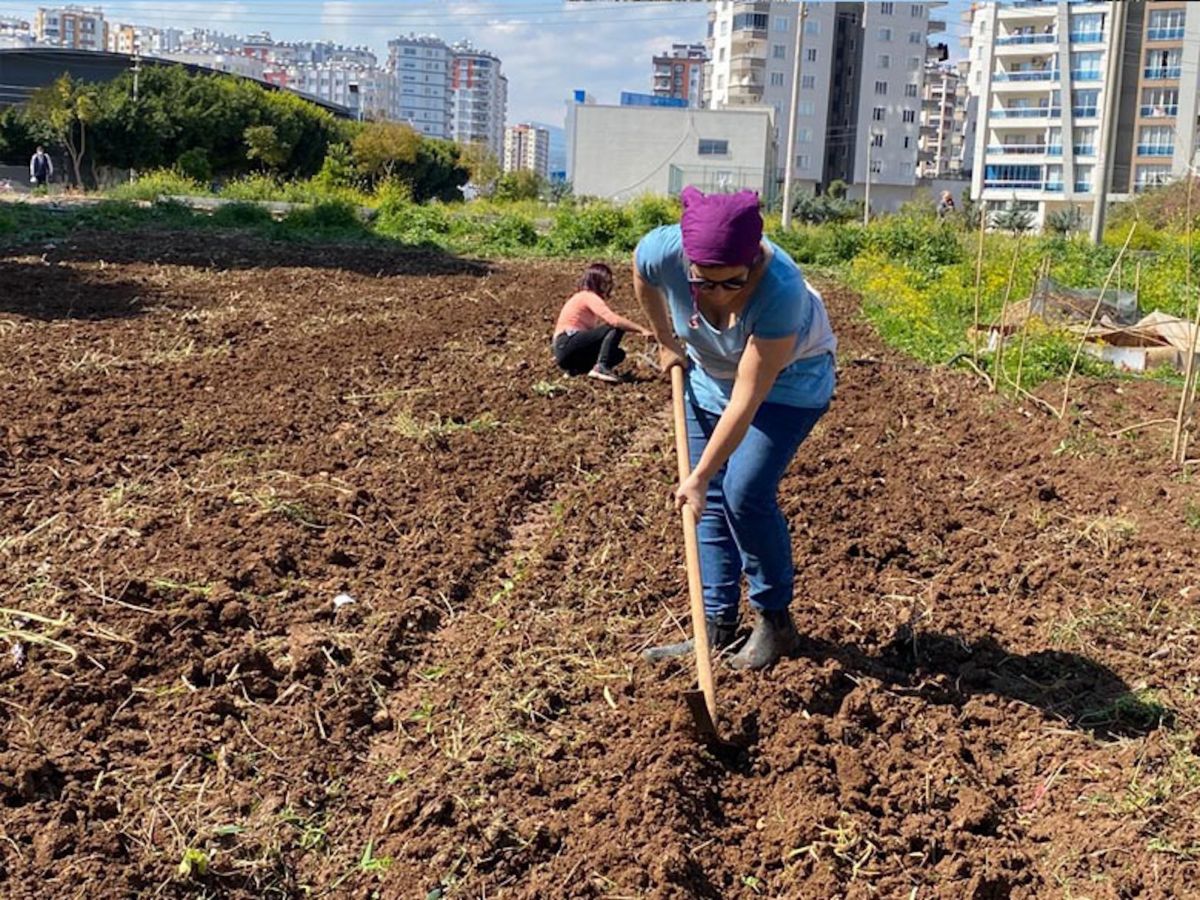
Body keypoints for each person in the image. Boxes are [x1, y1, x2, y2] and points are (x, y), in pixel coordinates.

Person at [637, 186, 836, 670]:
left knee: (742, 491)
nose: (716, 293)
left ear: (753, 262)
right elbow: (642, 275)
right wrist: (665, 340)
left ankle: (775, 622)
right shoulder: (664, 252)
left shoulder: (781, 291)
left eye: (732, 282)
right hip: (709, 380)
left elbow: (749, 396)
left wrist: (702, 474)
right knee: (706, 509)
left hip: (789, 384)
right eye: (704, 282)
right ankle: (717, 626)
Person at [552, 262, 651, 383]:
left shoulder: (581, 297)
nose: (607, 287)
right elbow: (614, 320)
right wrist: (642, 330)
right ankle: (601, 367)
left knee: (617, 354)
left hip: (564, 351)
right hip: (566, 343)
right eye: (605, 283)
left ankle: (577, 370)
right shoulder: (588, 296)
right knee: (614, 328)